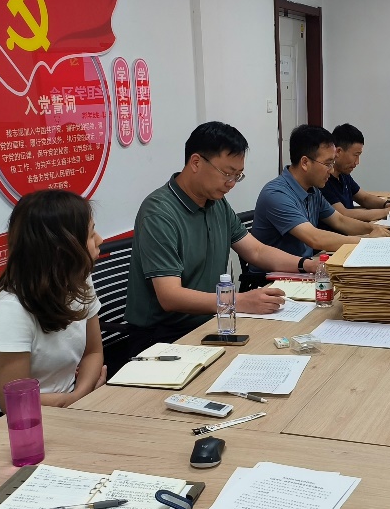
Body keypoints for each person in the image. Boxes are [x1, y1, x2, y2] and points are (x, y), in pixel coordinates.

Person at [125, 121, 311, 344]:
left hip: (213, 322)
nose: (231, 184)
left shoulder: (216, 203)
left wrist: (308, 265)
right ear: (196, 162)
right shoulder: (159, 212)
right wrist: (239, 301)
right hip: (165, 336)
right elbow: (170, 296)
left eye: (238, 176)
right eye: (227, 173)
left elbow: (256, 251)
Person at [0, 189, 107, 413]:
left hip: (71, 403)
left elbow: (93, 352)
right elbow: (14, 401)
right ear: (62, 249)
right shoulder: (11, 309)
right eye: (91, 234)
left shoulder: (78, 278)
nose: (100, 240)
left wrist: (79, 395)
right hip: (21, 421)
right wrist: (76, 399)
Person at [252, 124, 390, 266]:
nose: (331, 170)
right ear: (305, 163)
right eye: (328, 164)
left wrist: (374, 229)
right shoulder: (277, 194)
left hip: (304, 267)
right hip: (273, 275)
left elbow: (340, 221)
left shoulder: (313, 191)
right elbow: (315, 238)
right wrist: (368, 241)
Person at [321, 123, 390, 221]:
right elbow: (343, 214)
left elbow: (364, 198)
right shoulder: (323, 180)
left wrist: (389, 205)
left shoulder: (343, 175)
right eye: (356, 155)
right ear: (338, 152)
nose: (357, 162)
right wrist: (389, 211)